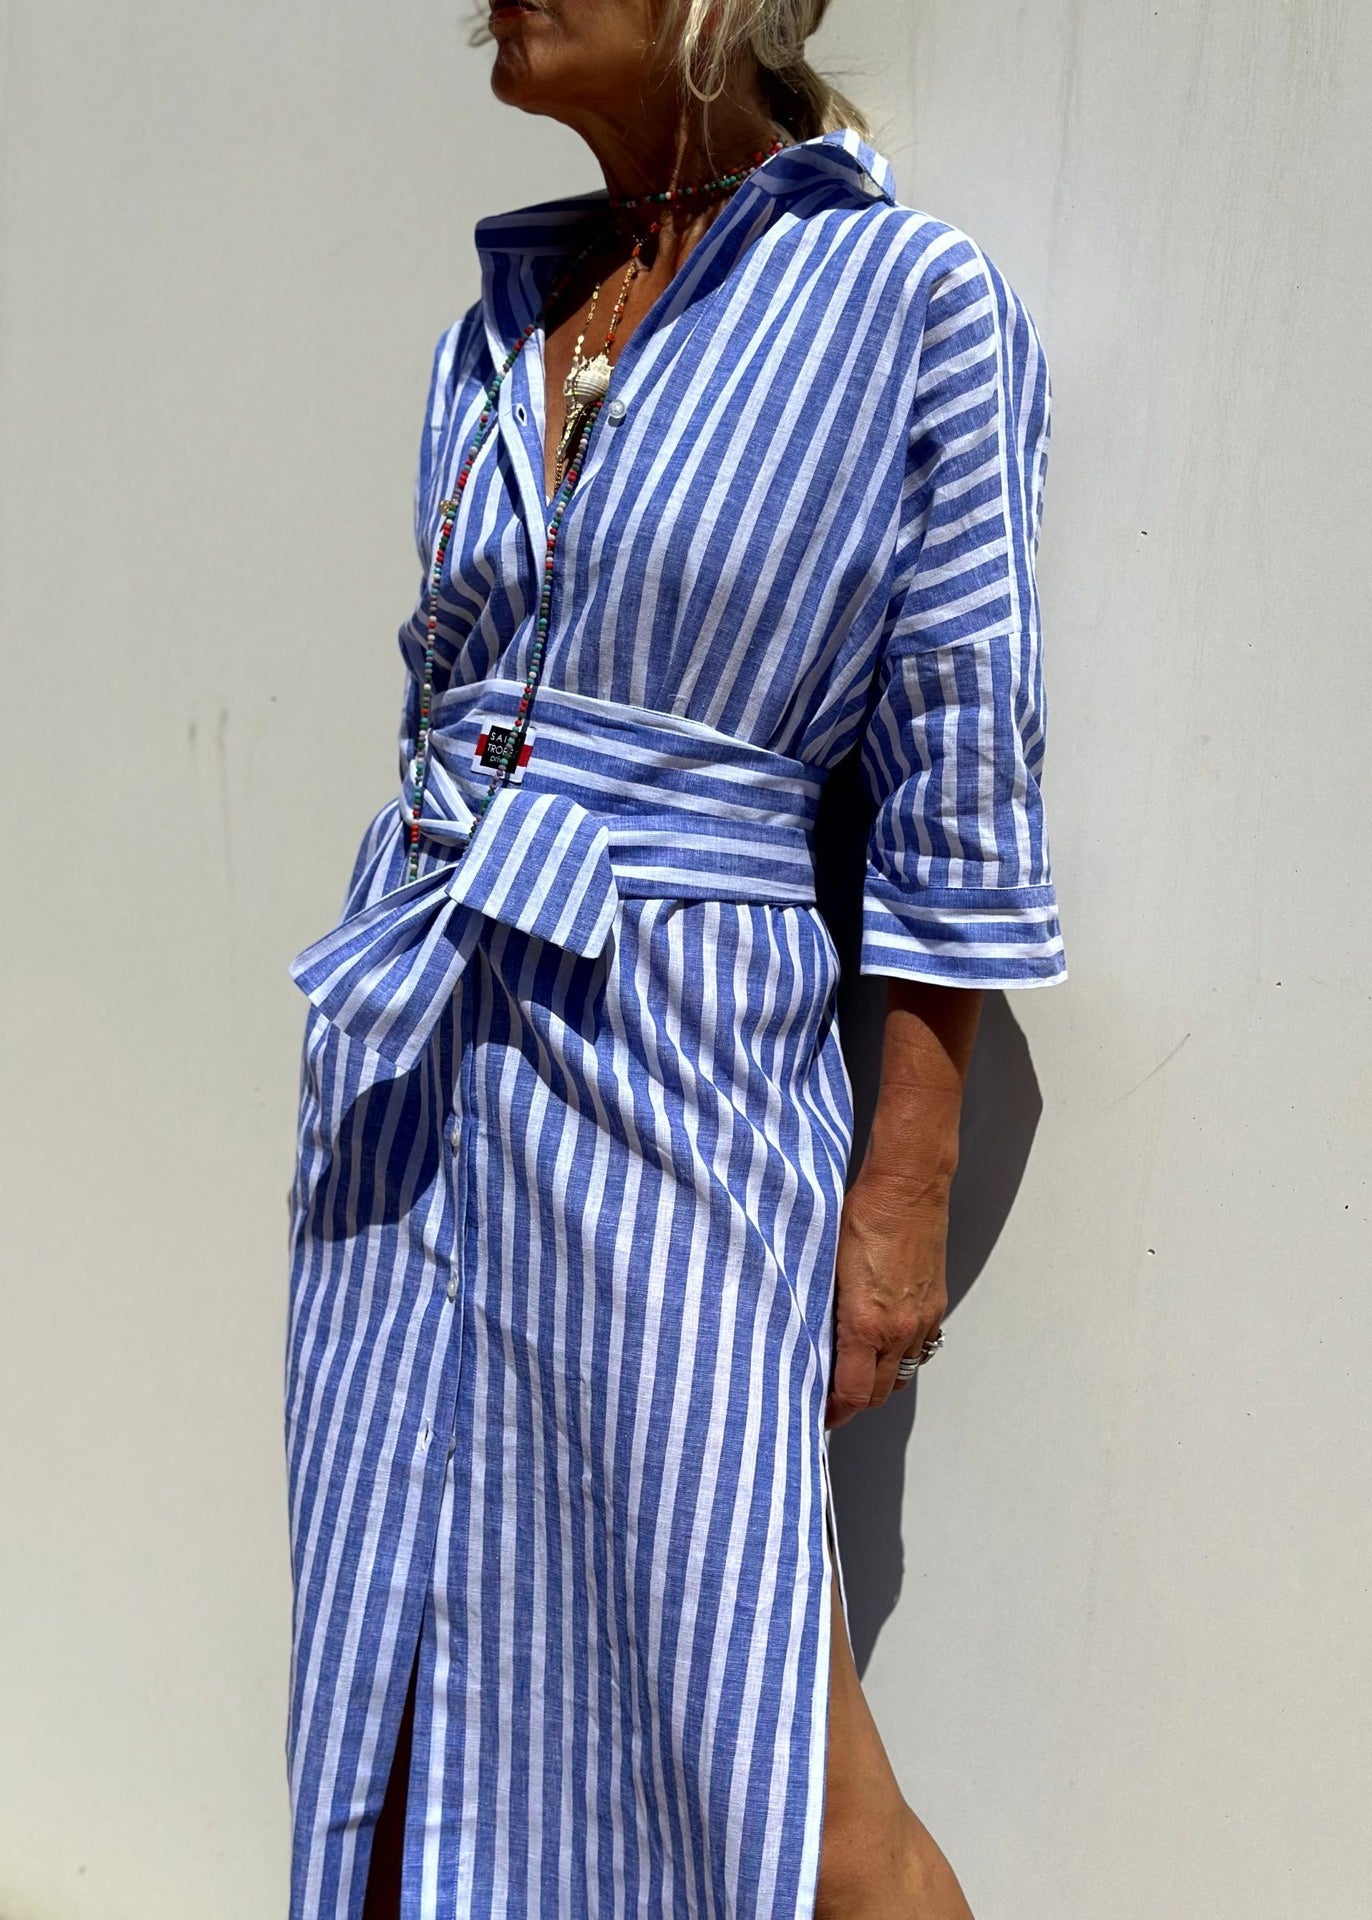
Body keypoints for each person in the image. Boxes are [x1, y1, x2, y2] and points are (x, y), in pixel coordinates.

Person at [283, 1, 1066, 1914]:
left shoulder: (909, 302)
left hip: (676, 1074)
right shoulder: (501, 326)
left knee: (792, 1787)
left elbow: (962, 768)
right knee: (401, 1713)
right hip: (410, 1076)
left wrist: (901, 1194)